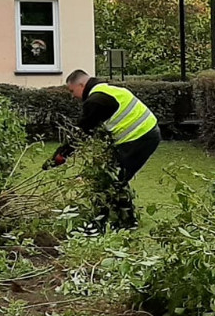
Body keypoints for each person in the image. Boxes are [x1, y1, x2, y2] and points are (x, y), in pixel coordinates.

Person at [51, 70, 162, 221]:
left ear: (81, 85)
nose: (73, 96)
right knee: (116, 178)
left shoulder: (96, 100)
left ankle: (100, 223)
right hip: (145, 134)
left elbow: (81, 134)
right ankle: (126, 219)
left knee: (107, 181)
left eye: (72, 91)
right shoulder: (107, 89)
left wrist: (61, 155)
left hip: (139, 138)